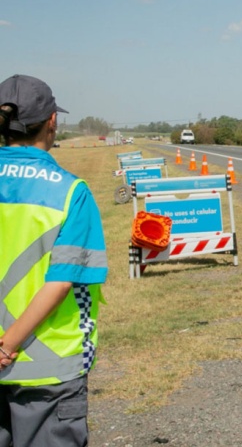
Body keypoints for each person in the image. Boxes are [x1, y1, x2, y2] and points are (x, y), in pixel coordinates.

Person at [0, 74, 108, 446]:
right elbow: (61, 282)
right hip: (47, 370)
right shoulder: (70, 192)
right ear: (52, 121)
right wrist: (7, 346)